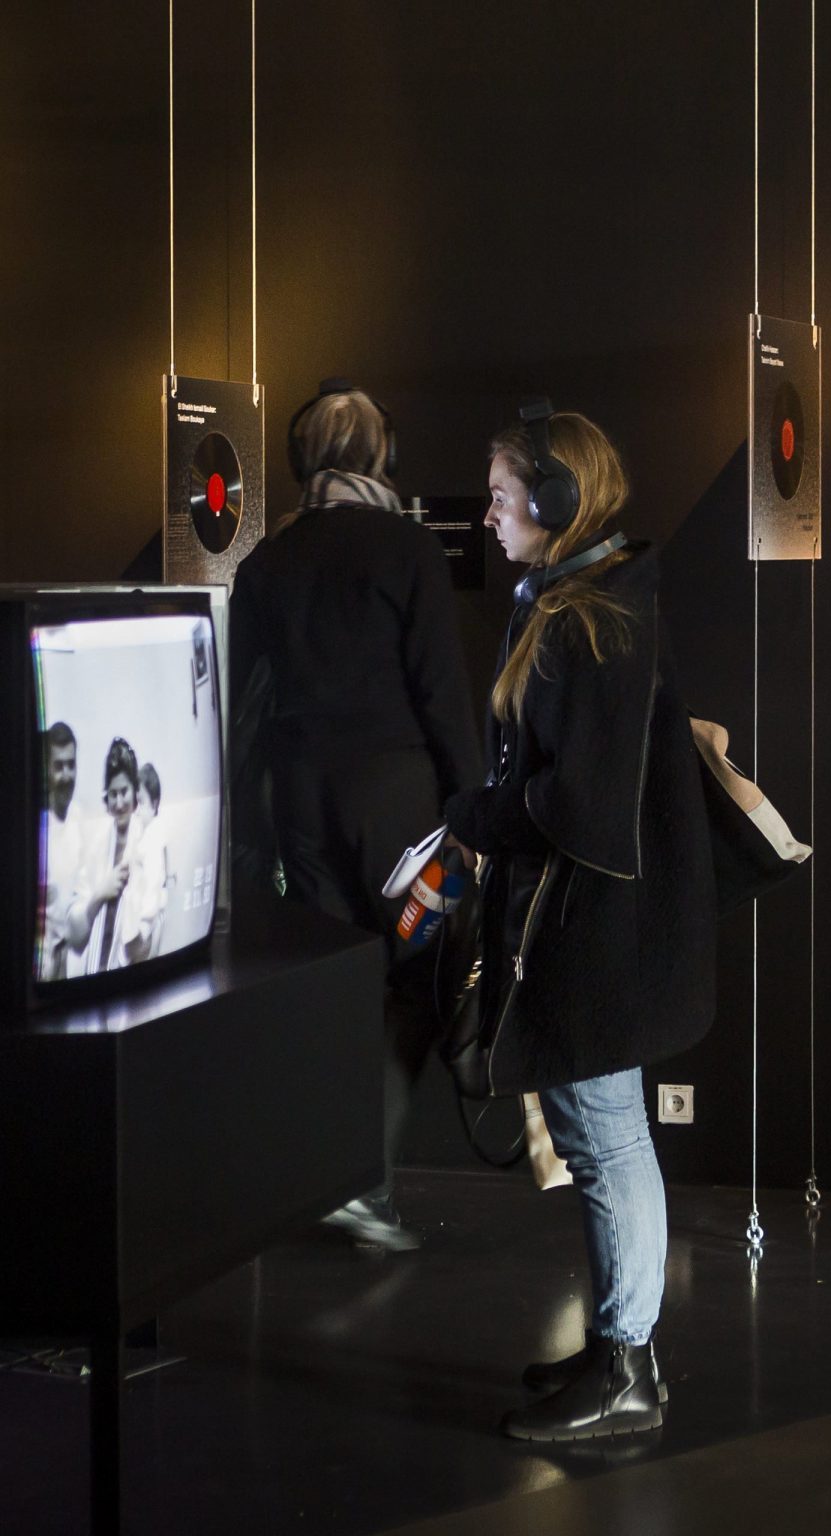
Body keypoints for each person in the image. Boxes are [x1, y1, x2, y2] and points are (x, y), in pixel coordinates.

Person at [442, 400, 716, 1441]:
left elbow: (578, 804)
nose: (488, 516)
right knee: (605, 1139)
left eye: (503, 497)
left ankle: (628, 1371)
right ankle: (617, 1348)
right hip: (590, 923)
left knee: (607, 1145)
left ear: (556, 502)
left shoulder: (591, 620)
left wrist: (477, 817)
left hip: (599, 930)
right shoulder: (581, 600)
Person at [230, 379, 482, 1248]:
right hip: (399, 807)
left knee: (334, 982)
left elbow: (243, 696)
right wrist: (473, 806)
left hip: (302, 801)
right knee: (421, 974)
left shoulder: (267, 560)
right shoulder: (407, 547)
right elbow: (442, 691)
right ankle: (365, 1179)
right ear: (384, 456)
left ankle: (331, 1175)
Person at [68, 737, 142, 973]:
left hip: (134, 973)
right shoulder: (96, 845)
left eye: (124, 792)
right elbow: (74, 935)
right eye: (113, 794)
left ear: (135, 793)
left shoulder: (147, 841)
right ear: (106, 798)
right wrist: (100, 893)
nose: (119, 803)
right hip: (95, 973)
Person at [38, 721, 84, 980]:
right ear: (47, 768)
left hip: (73, 962)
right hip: (45, 967)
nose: (66, 775)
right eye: (58, 766)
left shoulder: (79, 817)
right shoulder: (38, 829)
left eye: (71, 765)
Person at [121, 762, 169, 963]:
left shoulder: (154, 836)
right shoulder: (143, 831)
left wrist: (143, 929)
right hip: (136, 921)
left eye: (141, 803)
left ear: (155, 803)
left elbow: (154, 881)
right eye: (136, 803)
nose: (137, 810)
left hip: (143, 928)